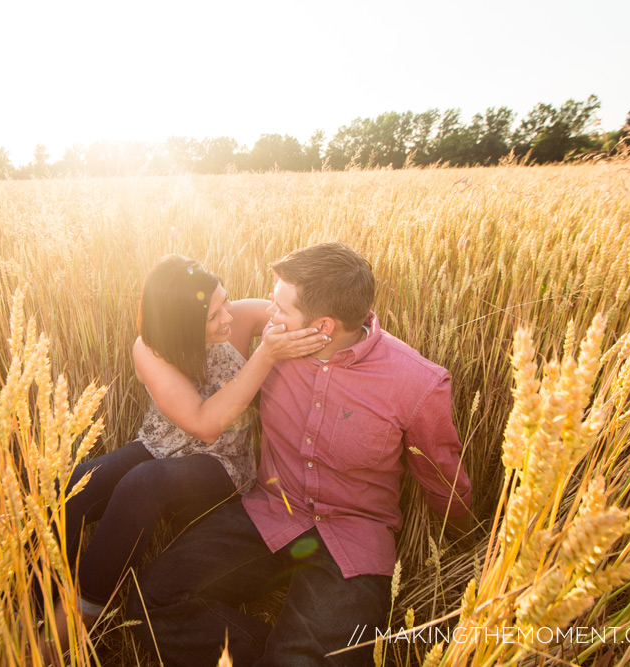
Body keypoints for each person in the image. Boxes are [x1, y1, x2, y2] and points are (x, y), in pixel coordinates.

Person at [127, 243, 474, 666]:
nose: (267, 318)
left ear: (323, 325)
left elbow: (444, 480)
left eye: (279, 309)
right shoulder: (271, 353)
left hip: (353, 539)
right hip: (270, 511)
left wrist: (467, 539)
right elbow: (201, 386)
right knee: (151, 602)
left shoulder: (418, 384)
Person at [43, 254, 329, 652]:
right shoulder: (150, 350)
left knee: (142, 484)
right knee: (73, 487)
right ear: (180, 326)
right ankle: (36, 593)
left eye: (224, 302)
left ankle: (82, 614)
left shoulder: (239, 318)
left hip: (223, 463)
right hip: (161, 444)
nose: (227, 317)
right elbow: (201, 420)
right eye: (212, 317)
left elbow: (296, 313)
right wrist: (265, 355)